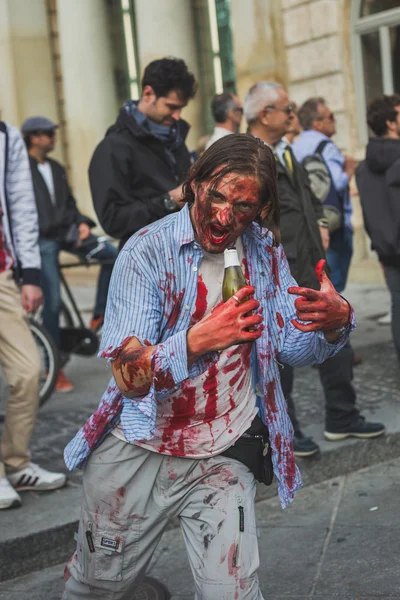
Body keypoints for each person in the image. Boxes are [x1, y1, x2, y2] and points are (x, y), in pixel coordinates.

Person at [63, 134, 355, 599]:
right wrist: (200, 340)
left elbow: (286, 346)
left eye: (242, 206)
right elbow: (128, 379)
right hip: (141, 447)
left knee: (233, 593)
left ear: (260, 208)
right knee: (97, 587)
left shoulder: (263, 250)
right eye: (216, 196)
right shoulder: (146, 253)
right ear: (193, 184)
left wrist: (333, 325)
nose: (224, 217)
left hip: (224, 447)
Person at [244, 82, 385, 457]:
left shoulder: (287, 150)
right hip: (276, 271)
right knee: (279, 354)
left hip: (310, 264)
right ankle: (283, 434)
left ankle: (342, 416)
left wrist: (320, 224)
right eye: (287, 110)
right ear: (265, 115)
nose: (294, 116)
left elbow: (304, 202)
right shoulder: (247, 157)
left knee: (337, 334)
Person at [22, 116, 118, 393]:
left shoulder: (55, 167)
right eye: (48, 134)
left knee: (110, 254)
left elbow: (69, 204)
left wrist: (83, 223)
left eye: (53, 133)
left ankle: (99, 313)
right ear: (34, 137)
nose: (53, 138)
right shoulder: (20, 169)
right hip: (41, 239)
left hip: (68, 232)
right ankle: (55, 367)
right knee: (51, 301)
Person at [0, 120, 67, 510]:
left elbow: (20, 204)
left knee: (27, 371)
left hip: (2, 271)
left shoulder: (7, 135)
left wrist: (29, 273)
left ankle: (15, 461)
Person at [89, 57, 197, 248]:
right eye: (171, 107)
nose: (177, 116)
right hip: (143, 259)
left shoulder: (177, 140)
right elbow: (112, 220)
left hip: (185, 253)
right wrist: (169, 201)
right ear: (148, 94)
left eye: (181, 108)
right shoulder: (112, 147)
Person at [293, 97, 358, 294]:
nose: (334, 119)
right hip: (334, 223)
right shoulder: (326, 146)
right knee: (334, 285)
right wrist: (349, 169)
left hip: (310, 223)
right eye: (330, 116)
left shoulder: (295, 146)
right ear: (317, 123)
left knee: (318, 283)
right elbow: (337, 182)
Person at [356, 94, 400, 362]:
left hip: (388, 251)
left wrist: (380, 246)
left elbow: (370, 213)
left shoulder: (364, 168)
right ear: (391, 123)